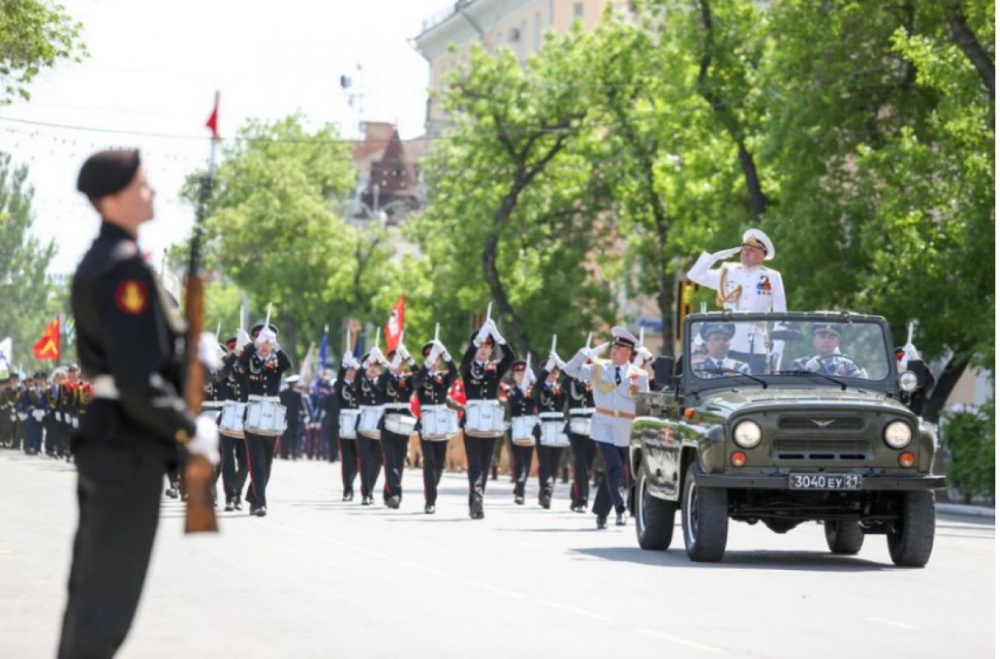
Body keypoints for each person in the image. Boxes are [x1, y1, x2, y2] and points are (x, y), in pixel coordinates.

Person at [59, 149, 219, 659]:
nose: (152, 193)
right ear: (113, 198)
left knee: (95, 590)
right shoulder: (123, 271)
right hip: (128, 443)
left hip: (114, 439)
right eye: (143, 185)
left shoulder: (109, 261)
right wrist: (187, 428)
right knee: (108, 598)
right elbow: (135, 377)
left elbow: (139, 356)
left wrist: (187, 348)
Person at [564, 326, 649, 529]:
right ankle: (620, 509)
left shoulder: (640, 376)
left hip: (626, 427)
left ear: (629, 353)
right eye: (613, 346)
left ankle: (601, 513)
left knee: (616, 472)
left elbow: (644, 405)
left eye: (619, 348)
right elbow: (569, 371)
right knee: (615, 467)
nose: (614, 350)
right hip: (603, 424)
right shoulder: (598, 368)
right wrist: (582, 355)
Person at [687, 228, 787, 372]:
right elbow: (694, 275)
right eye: (744, 249)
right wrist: (714, 258)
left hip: (757, 345)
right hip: (728, 343)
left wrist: (776, 351)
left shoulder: (772, 276)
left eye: (752, 250)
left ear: (762, 255)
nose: (746, 252)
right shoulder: (727, 272)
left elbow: (781, 317)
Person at [460, 318, 515, 519]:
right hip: (473, 419)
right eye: (480, 345)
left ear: (491, 350)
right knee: (474, 462)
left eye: (487, 346)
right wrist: (475, 342)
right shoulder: (468, 369)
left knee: (484, 463)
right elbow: (464, 362)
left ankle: (476, 499)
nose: (483, 349)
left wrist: (498, 336)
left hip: (490, 420)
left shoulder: (495, 368)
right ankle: (477, 498)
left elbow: (511, 357)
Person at [238, 321, 291, 516]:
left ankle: (254, 496)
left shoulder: (276, 362)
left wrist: (277, 346)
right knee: (256, 461)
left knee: (267, 462)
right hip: (253, 410)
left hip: (272, 412)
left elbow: (288, 364)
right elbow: (241, 363)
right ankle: (261, 503)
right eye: (262, 341)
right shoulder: (250, 360)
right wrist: (253, 344)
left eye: (268, 341)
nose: (265, 345)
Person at [413, 338, 458, 514]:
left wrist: (445, 353)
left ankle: (430, 488)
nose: (433, 361)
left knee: (439, 463)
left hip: (441, 420)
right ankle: (430, 500)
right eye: (429, 357)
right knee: (429, 461)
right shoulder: (420, 375)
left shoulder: (443, 377)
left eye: (436, 358)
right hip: (426, 420)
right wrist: (426, 365)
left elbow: (455, 372)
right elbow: (416, 383)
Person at [380, 344, 418, 508]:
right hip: (387, 421)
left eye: (401, 362)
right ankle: (396, 493)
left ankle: (389, 493)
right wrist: (390, 368)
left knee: (399, 460)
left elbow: (421, 377)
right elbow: (380, 384)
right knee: (390, 460)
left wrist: (411, 360)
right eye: (395, 361)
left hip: (403, 422)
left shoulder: (408, 379)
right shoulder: (386, 377)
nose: (399, 365)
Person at [534, 356, 567, 509]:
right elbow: (538, 384)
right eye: (549, 371)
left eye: (555, 372)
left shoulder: (561, 389)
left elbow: (571, 379)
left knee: (554, 463)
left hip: (559, 427)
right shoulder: (539, 388)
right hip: (543, 427)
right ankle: (546, 492)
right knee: (545, 462)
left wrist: (562, 365)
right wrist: (547, 367)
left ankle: (547, 492)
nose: (552, 374)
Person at [506, 360, 538, 506]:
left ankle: (520, 486)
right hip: (516, 427)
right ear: (514, 376)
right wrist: (521, 389)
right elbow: (512, 402)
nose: (520, 376)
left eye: (522, 373)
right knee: (518, 461)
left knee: (528, 460)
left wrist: (534, 382)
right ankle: (520, 491)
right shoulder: (511, 389)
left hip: (530, 427)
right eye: (518, 373)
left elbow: (540, 398)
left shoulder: (532, 390)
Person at [333, 351, 361, 501]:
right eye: (348, 369)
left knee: (357, 458)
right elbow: (338, 381)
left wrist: (360, 369)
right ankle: (347, 488)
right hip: (344, 423)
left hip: (359, 423)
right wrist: (342, 366)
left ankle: (352, 482)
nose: (350, 372)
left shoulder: (361, 384)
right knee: (347, 459)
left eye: (353, 369)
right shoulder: (340, 384)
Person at [789, 324, 866, 377]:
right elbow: (793, 388)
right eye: (822, 336)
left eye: (831, 337)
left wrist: (862, 379)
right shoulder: (801, 364)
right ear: (814, 340)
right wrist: (806, 372)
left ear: (837, 343)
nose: (826, 340)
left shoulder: (847, 365)